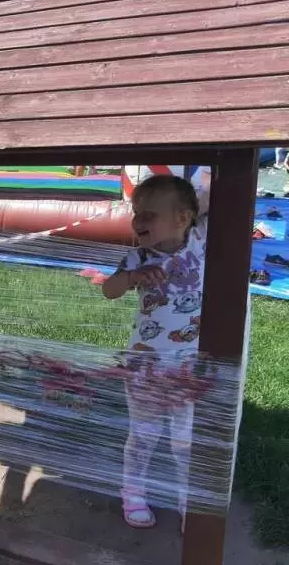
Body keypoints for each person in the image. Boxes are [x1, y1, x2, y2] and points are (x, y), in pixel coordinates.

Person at [101, 175, 208, 533]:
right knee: (143, 435)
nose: (138, 221)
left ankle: (187, 498)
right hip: (145, 365)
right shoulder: (137, 257)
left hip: (190, 366)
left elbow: (213, 193)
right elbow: (109, 291)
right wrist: (133, 277)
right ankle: (133, 493)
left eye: (149, 214)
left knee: (185, 440)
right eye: (136, 213)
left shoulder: (202, 241)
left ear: (182, 218)